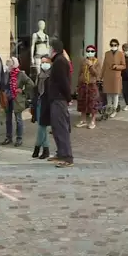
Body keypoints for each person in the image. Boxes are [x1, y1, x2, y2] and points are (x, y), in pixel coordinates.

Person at [47, 40, 73, 168]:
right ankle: (60, 153)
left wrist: (68, 97)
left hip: (59, 99)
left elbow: (64, 82)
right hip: (55, 99)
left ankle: (67, 157)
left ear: (54, 49)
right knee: (56, 128)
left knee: (61, 128)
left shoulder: (60, 62)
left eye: (50, 48)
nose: (48, 50)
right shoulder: (57, 61)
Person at [2, 57, 34, 147]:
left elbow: (31, 83)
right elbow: (2, 84)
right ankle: (8, 137)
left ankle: (19, 138)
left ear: (14, 64)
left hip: (17, 99)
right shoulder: (6, 74)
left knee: (18, 119)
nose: (8, 66)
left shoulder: (20, 74)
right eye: (8, 64)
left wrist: (23, 90)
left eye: (10, 64)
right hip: (7, 98)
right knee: (8, 119)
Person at [30, 55, 52, 159]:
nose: (44, 64)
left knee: (41, 127)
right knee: (41, 126)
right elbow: (36, 90)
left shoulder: (52, 76)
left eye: (46, 62)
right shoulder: (39, 76)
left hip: (47, 104)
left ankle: (37, 148)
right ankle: (45, 150)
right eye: (42, 62)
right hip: (39, 103)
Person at [76, 45, 102, 129]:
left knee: (93, 103)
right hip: (83, 84)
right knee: (82, 102)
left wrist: (91, 66)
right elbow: (80, 73)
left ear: (94, 52)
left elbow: (97, 74)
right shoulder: (83, 61)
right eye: (88, 51)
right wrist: (78, 84)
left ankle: (92, 121)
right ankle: (83, 120)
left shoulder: (97, 62)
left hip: (92, 84)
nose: (90, 53)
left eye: (92, 51)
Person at [101, 39, 126, 117]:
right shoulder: (107, 53)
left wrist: (116, 66)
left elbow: (124, 66)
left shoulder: (121, 54)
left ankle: (114, 110)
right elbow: (104, 65)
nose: (113, 46)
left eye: (115, 45)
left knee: (115, 94)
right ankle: (109, 108)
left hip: (116, 75)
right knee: (108, 93)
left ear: (118, 45)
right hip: (108, 75)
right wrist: (100, 76)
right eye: (112, 45)